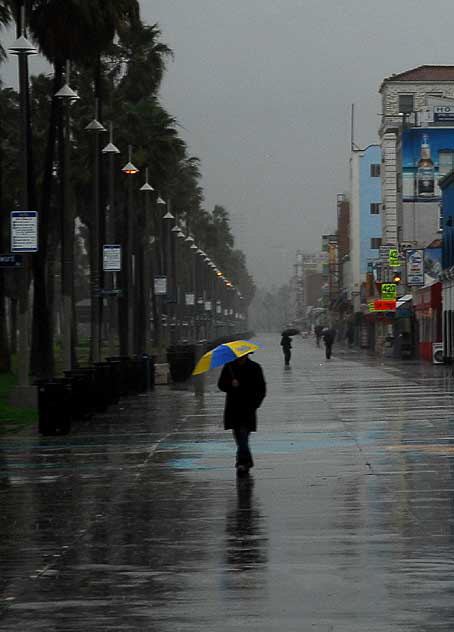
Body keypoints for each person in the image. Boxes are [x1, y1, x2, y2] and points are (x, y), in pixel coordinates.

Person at [218, 354, 266, 477]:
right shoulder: (229, 367)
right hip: (233, 407)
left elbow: (261, 388)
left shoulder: (255, 367)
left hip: (248, 407)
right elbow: (221, 385)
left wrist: (256, 404)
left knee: (243, 434)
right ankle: (246, 461)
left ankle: (242, 462)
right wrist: (230, 384)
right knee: (239, 436)